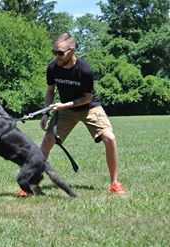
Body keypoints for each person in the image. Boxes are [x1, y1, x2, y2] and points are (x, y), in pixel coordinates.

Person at [40, 33, 126, 194]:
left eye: (60, 53)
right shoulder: (52, 68)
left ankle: (115, 183)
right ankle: (30, 184)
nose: (56, 56)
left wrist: (63, 105)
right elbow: (50, 91)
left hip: (89, 107)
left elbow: (87, 98)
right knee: (46, 142)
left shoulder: (84, 70)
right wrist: (46, 113)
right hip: (65, 110)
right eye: (54, 52)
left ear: (72, 51)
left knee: (110, 138)